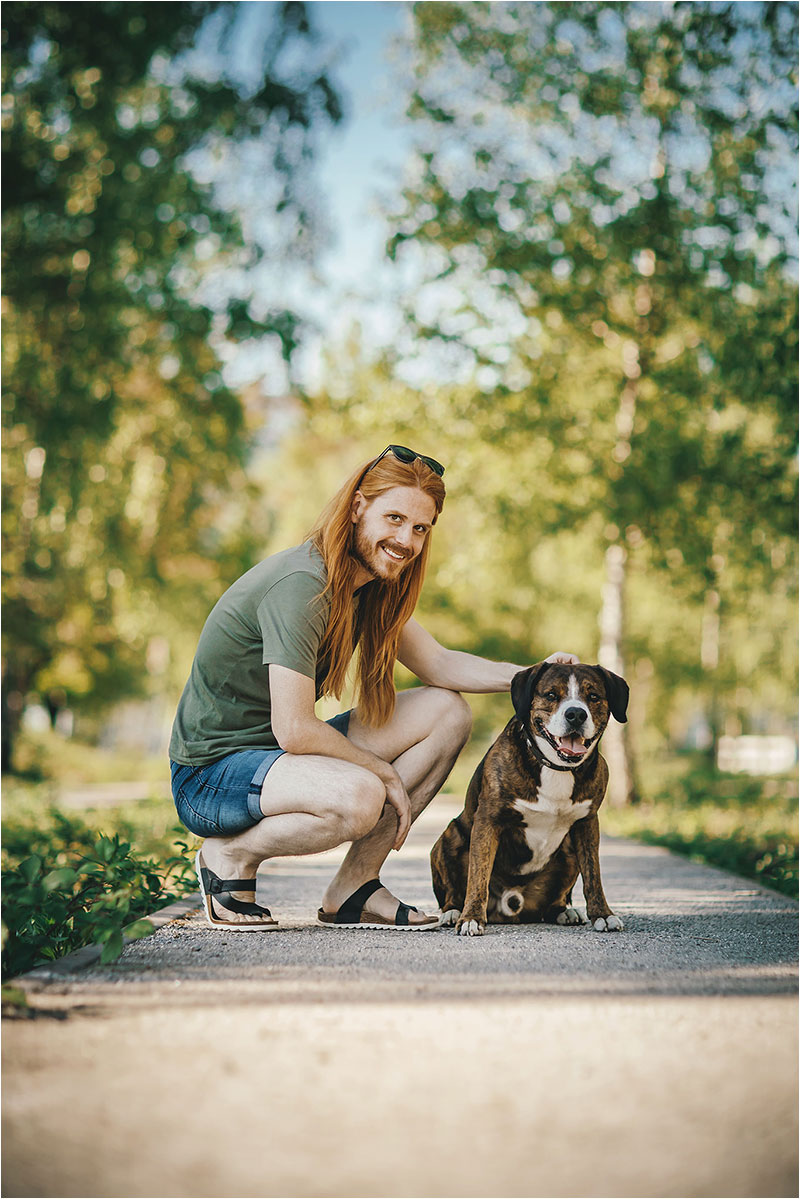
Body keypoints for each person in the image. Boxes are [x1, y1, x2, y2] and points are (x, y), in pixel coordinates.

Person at [169, 444, 578, 931]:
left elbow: (441, 665)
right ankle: (228, 856)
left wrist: (535, 678)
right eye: (395, 518)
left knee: (448, 713)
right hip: (211, 777)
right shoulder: (303, 584)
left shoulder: (365, 587)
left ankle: (354, 886)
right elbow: (296, 729)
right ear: (358, 506)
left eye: (421, 528)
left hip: (272, 760)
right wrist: (381, 774)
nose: (406, 539)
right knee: (361, 795)